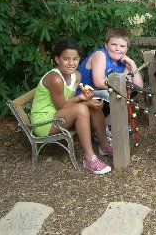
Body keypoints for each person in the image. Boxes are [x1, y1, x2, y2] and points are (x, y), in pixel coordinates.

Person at [30, 39, 111, 175]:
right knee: (82, 108)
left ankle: (105, 146)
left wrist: (86, 100)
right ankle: (89, 158)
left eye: (75, 59)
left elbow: (69, 101)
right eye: (66, 59)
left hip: (59, 115)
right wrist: (82, 99)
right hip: (44, 122)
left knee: (94, 106)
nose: (71, 63)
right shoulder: (55, 78)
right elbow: (62, 106)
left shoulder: (76, 76)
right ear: (57, 59)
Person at [77, 28, 143, 137]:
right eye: (113, 44)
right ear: (106, 45)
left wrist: (132, 63)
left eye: (122, 46)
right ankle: (104, 131)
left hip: (100, 97)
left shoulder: (122, 63)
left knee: (129, 92)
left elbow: (138, 87)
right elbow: (98, 82)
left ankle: (105, 128)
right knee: (122, 92)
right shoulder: (100, 55)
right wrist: (123, 89)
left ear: (127, 49)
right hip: (83, 96)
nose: (117, 49)